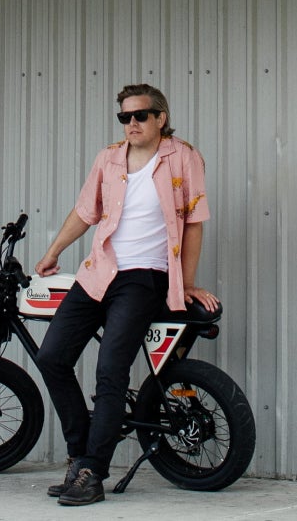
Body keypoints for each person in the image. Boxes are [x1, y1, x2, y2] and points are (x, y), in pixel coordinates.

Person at [33, 84, 217, 507]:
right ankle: (80, 455)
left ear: (161, 118)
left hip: (144, 279)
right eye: (124, 117)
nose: (131, 123)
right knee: (52, 357)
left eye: (139, 115)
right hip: (99, 272)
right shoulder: (109, 158)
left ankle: (92, 474)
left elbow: (194, 223)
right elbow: (85, 212)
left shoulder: (183, 158)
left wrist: (185, 283)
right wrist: (52, 252)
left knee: (110, 372)